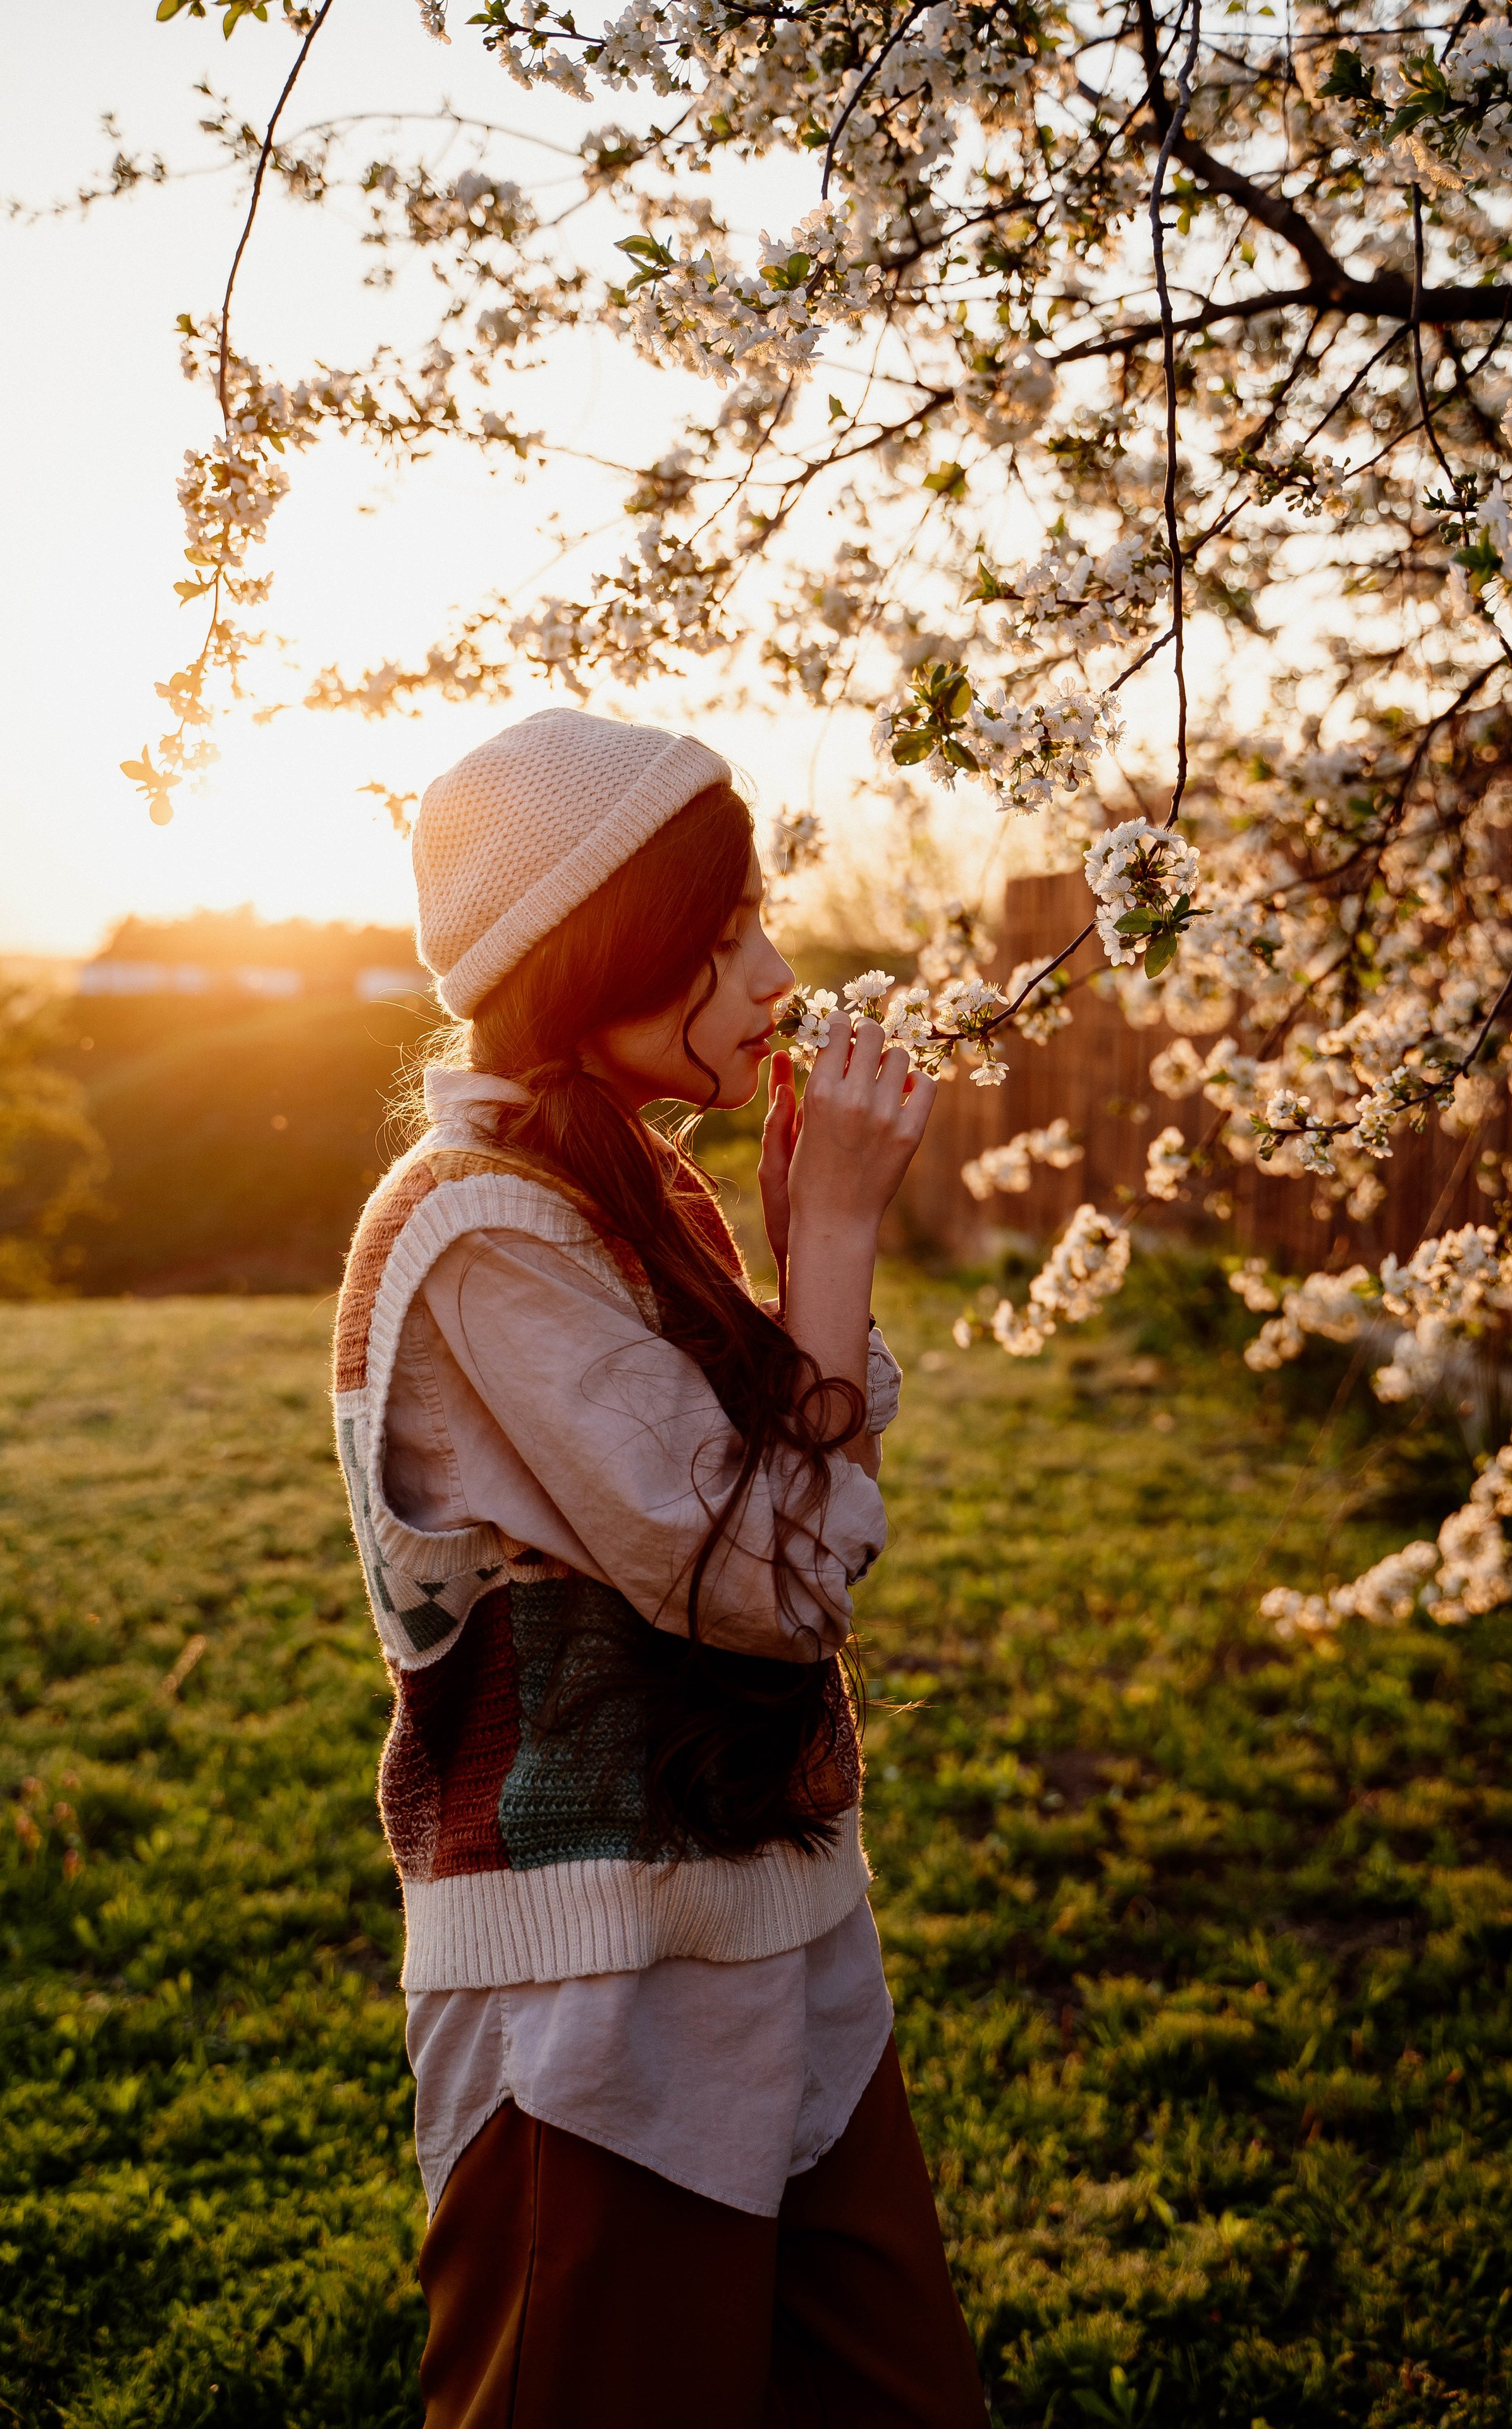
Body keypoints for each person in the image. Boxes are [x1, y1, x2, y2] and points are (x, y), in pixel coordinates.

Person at [331, 706, 987, 2427]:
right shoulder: (480, 1224)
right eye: (720, 939)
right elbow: (773, 1582)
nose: (775, 972)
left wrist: (794, 1271)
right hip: (597, 1987)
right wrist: (830, 1245)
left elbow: (782, 1510)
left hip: (778, 1917)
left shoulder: (630, 1197)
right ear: (602, 955)